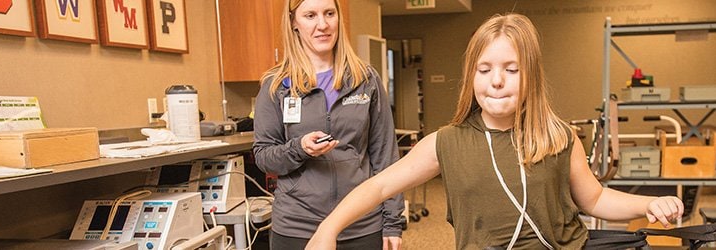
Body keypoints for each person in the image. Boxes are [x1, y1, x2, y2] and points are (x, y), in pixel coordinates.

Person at [305, 13, 683, 249]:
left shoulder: (558, 136)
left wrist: (647, 203)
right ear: (471, 76)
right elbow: (380, 186)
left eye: (511, 69)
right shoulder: (447, 142)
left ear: (530, 75)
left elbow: (595, 200)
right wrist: (328, 228)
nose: (497, 81)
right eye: (484, 70)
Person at [252, 0, 404, 249]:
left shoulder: (365, 79)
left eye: (329, 13)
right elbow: (264, 156)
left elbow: (385, 156)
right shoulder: (276, 84)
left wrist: (393, 221)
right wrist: (299, 148)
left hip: (361, 222)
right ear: (294, 22)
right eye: (310, 15)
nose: (322, 25)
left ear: (338, 18)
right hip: (297, 224)